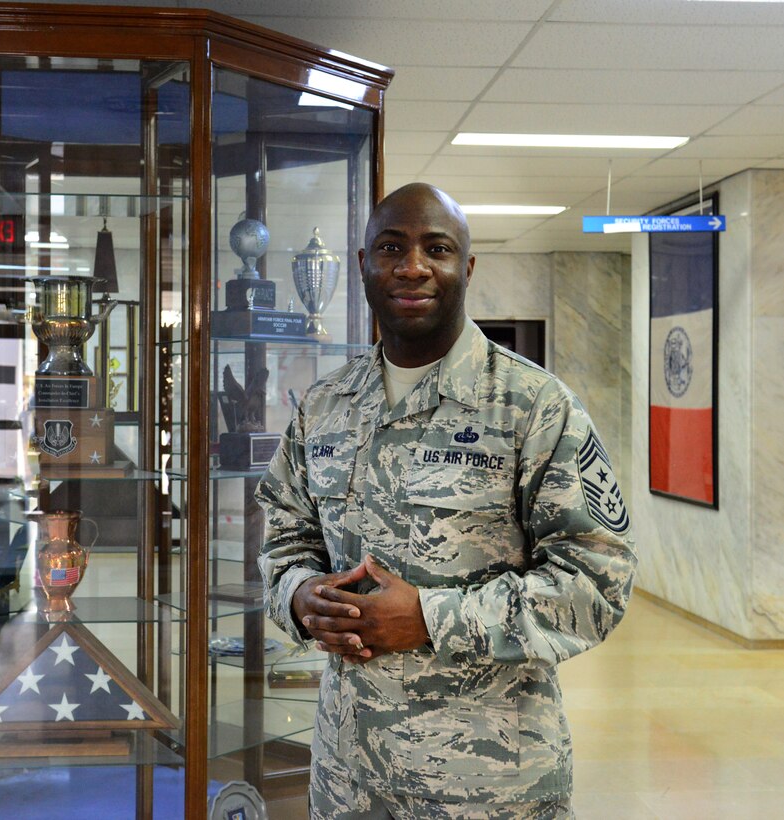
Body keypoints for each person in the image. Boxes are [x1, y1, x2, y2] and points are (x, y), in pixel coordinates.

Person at [255, 183, 636, 819]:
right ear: (363, 265)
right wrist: (299, 596)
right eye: (390, 247)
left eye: (437, 248)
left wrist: (431, 617)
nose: (412, 266)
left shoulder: (536, 408)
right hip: (349, 781)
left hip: (489, 789)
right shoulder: (323, 407)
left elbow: (598, 585)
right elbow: (282, 542)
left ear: (466, 267)